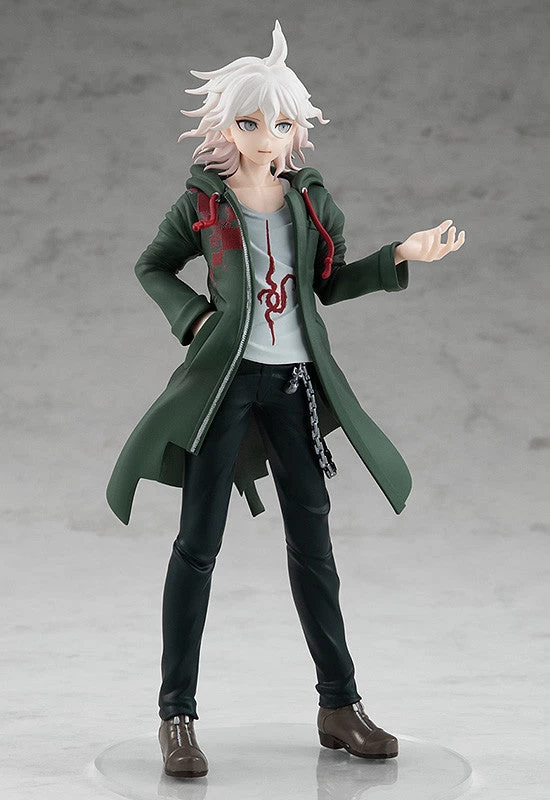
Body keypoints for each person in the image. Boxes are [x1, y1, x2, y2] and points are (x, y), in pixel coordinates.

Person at [106, 20, 465, 779]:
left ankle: (340, 705)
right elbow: (152, 266)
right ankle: (177, 714)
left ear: (296, 129)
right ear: (226, 128)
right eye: (249, 122)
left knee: (315, 545)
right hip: (224, 388)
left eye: (278, 124)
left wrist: (400, 257)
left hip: (296, 385)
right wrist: (194, 319)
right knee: (197, 546)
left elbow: (329, 284)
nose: (265, 137)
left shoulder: (309, 203)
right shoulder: (202, 205)